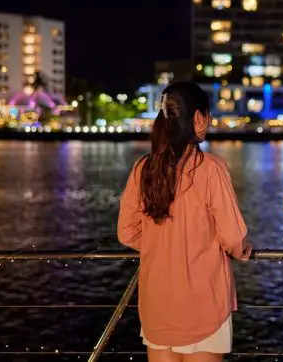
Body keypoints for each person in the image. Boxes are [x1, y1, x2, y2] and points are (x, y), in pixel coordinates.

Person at [118, 81, 251, 362]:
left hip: (157, 302)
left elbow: (127, 232)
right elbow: (233, 236)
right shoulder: (211, 168)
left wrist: (165, 245)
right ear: (199, 118)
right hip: (203, 301)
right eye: (208, 115)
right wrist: (241, 251)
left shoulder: (143, 168)